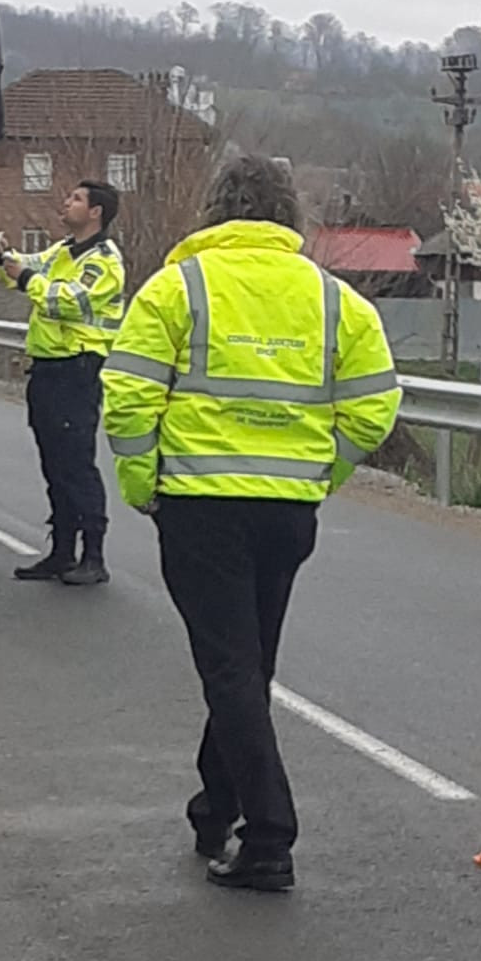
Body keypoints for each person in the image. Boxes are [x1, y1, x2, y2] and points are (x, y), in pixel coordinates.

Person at [101, 156, 400, 891]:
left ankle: (269, 838)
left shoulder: (177, 289)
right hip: (287, 511)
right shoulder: (335, 299)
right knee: (248, 663)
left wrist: (143, 485)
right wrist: (321, 475)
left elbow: (129, 397)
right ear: (290, 214)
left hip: (200, 506)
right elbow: (374, 407)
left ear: (216, 209)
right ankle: (215, 808)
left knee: (230, 667)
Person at [0, 181, 126, 586]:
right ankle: (62, 551)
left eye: (76, 199)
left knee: (76, 464)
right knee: (54, 463)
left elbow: (66, 300)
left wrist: (24, 276)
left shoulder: (104, 262)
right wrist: (2, 255)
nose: (66, 203)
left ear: (96, 212)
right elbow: (25, 268)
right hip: (47, 369)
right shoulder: (64, 250)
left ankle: (94, 556)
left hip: (77, 370)